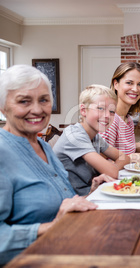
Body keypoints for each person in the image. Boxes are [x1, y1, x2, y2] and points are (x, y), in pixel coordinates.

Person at [0, 65, 98, 265]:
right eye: (23, 101)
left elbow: (61, 204)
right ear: (3, 107)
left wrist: (92, 194)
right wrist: (52, 227)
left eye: (43, 100)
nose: (37, 109)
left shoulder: (43, 147)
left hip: (68, 250)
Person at [53, 84, 130, 195]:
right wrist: (113, 169)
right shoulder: (75, 135)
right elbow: (113, 172)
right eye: (100, 108)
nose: (107, 115)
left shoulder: (95, 136)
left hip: (90, 193)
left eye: (112, 111)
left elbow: (124, 157)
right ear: (84, 110)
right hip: (71, 201)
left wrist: (113, 168)